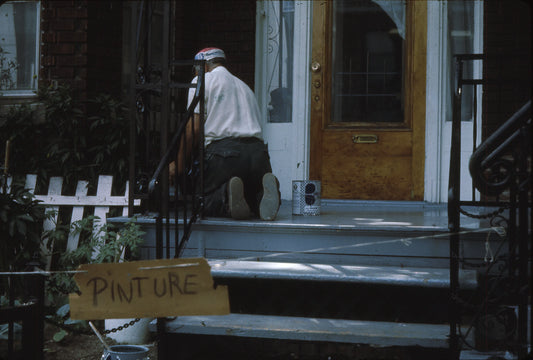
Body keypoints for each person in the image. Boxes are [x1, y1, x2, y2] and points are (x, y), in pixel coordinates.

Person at [172, 47, 280, 221]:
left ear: (204, 66)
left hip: (225, 155)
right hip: (258, 153)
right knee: (247, 193)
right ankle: (260, 196)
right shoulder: (244, 87)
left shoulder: (203, 81)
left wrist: (178, 163)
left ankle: (226, 197)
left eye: (196, 70)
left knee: (200, 200)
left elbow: (194, 127)